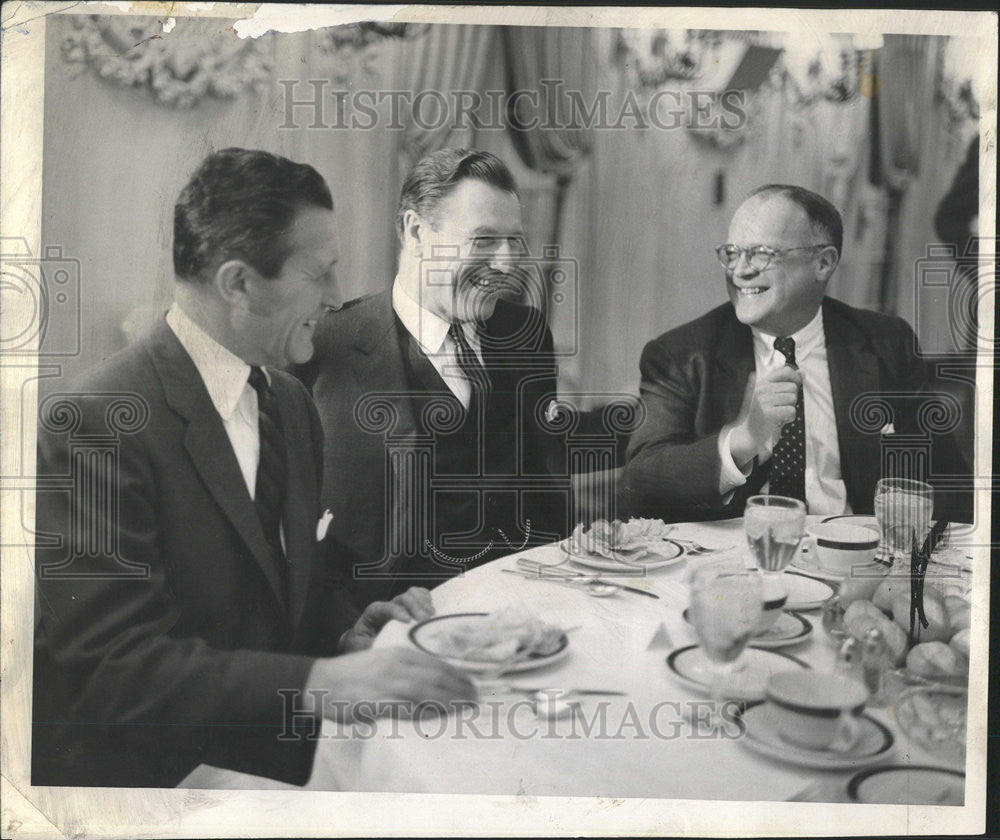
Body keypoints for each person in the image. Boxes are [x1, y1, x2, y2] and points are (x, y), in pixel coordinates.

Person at [32, 148, 476, 789]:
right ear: (239, 283)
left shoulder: (291, 403)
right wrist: (320, 682)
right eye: (318, 275)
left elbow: (281, 587)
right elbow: (111, 669)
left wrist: (347, 631)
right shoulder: (96, 422)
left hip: (269, 752)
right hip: (151, 782)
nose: (335, 296)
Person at [298, 149, 567, 607]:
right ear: (416, 232)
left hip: (521, 614)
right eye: (483, 240)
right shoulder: (322, 347)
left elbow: (543, 490)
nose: (506, 264)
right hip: (391, 624)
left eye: (514, 242)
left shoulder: (526, 333)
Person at [620, 184, 972, 524]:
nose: (740, 271)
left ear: (823, 263)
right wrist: (743, 440)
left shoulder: (885, 343)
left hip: (855, 557)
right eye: (731, 253)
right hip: (737, 566)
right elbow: (641, 481)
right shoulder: (682, 354)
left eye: (761, 253)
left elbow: (948, 481)